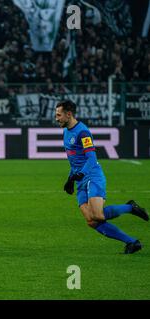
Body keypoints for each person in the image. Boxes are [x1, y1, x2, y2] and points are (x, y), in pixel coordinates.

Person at [55, 100, 148, 254]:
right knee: (91, 221)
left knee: (98, 215)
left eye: (58, 115)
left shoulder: (82, 132)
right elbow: (74, 160)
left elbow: (91, 158)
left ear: (69, 114)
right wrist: (70, 179)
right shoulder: (66, 132)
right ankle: (132, 242)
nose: (56, 118)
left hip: (92, 176)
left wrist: (79, 174)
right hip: (79, 180)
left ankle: (131, 207)